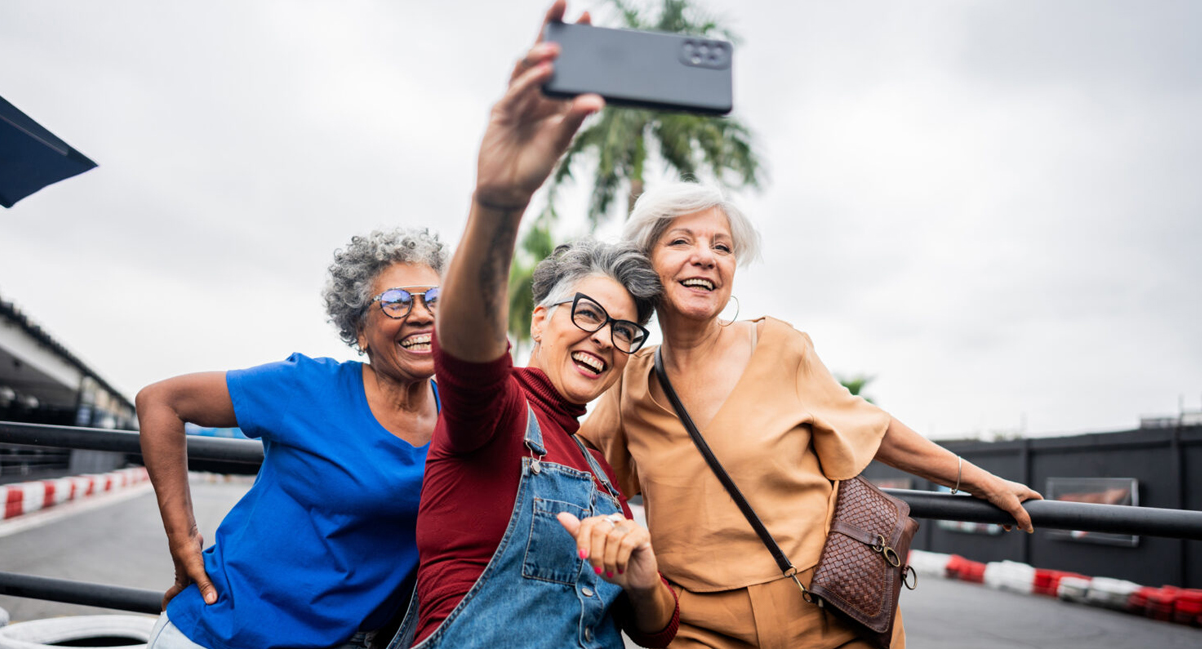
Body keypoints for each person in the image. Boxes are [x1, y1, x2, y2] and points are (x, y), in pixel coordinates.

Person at [578, 182, 1045, 649]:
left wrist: (984, 483)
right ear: (646, 263)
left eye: (722, 247)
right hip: (700, 630)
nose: (706, 257)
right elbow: (570, 454)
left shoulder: (780, 348)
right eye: (681, 241)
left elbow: (874, 429)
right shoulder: (629, 384)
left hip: (827, 611)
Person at [393, 4, 679, 648]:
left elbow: (656, 632)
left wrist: (642, 578)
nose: (605, 338)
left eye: (625, 332)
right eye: (589, 314)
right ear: (539, 319)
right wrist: (499, 202)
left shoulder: (601, 472)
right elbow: (465, 351)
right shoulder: (494, 415)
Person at [136, 227, 448, 649]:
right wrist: (183, 541)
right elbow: (160, 402)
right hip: (222, 632)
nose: (421, 314)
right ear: (359, 329)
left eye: (434, 299)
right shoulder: (307, 387)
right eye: (395, 302)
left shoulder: (464, 413)